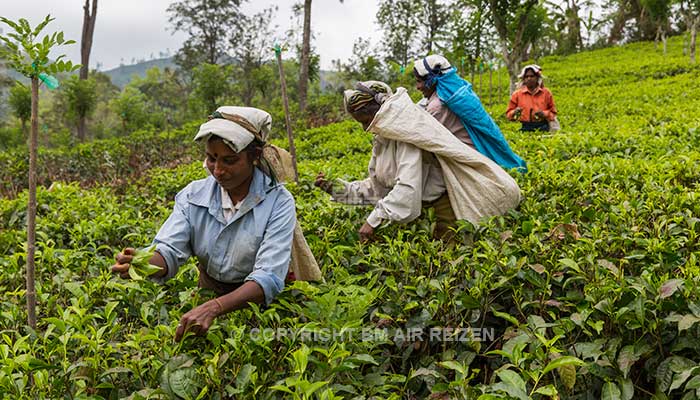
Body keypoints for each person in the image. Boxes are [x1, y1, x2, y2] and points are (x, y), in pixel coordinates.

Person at [111, 106, 315, 342]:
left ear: (255, 156)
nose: (218, 170)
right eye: (211, 158)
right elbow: (169, 250)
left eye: (229, 160)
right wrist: (140, 263)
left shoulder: (278, 202)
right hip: (210, 292)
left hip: (260, 304)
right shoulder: (193, 195)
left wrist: (214, 308)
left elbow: (268, 277)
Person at [315, 81, 521, 242]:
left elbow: (407, 190)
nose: (365, 128)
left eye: (366, 121)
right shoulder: (384, 138)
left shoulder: (408, 135)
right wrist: (337, 190)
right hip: (421, 214)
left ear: (380, 112)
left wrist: (373, 220)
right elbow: (379, 187)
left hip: (443, 214)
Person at [414, 55, 527, 172]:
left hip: (470, 161)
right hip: (478, 152)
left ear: (432, 80)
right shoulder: (461, 91)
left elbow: (427, 140)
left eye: (419, 81)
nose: (417, 87)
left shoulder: (437, 106)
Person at [506, 64, 558, 132]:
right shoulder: (517, 94)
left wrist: (544, 114)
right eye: (526, 76)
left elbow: (553, 113)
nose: (529, 78)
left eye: (532, 76)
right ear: (524, 79)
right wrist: (514, 112)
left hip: (543, 127)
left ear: (537, 78)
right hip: (525, 127)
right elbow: (508, 114)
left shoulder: (546, 93)